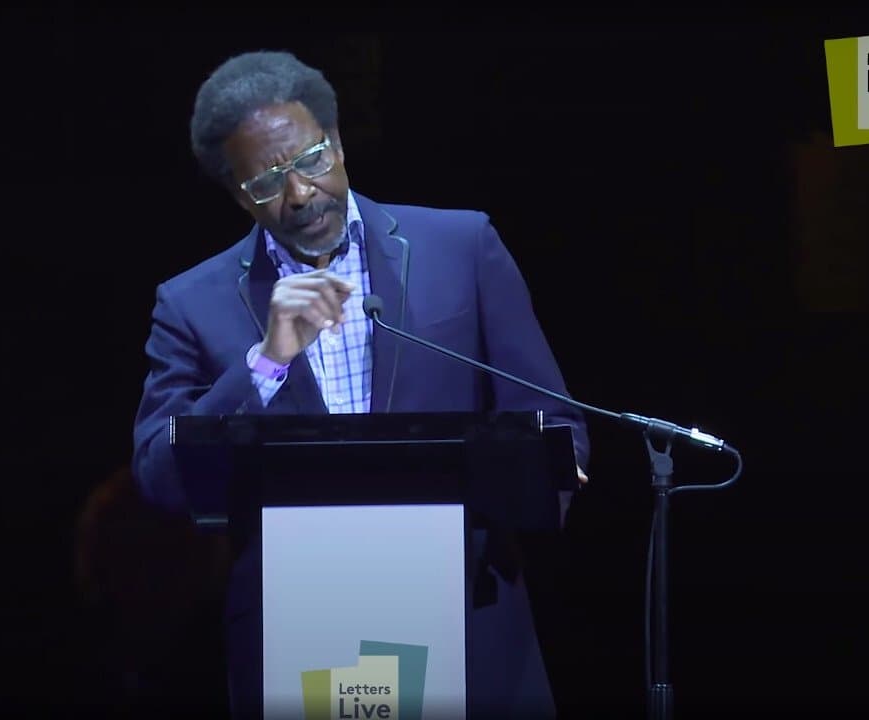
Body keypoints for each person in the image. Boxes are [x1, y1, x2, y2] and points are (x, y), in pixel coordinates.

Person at [131, 50, 590, 718]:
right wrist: (265, 362)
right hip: (300, 628)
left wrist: (552, 470)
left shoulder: (460, 246)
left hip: (464, 608)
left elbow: (550, 417)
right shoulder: (191, 302)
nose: (299, 194)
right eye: (266, 182)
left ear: (338, 141)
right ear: (236, 192)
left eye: (311, 159)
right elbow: (158, 475)